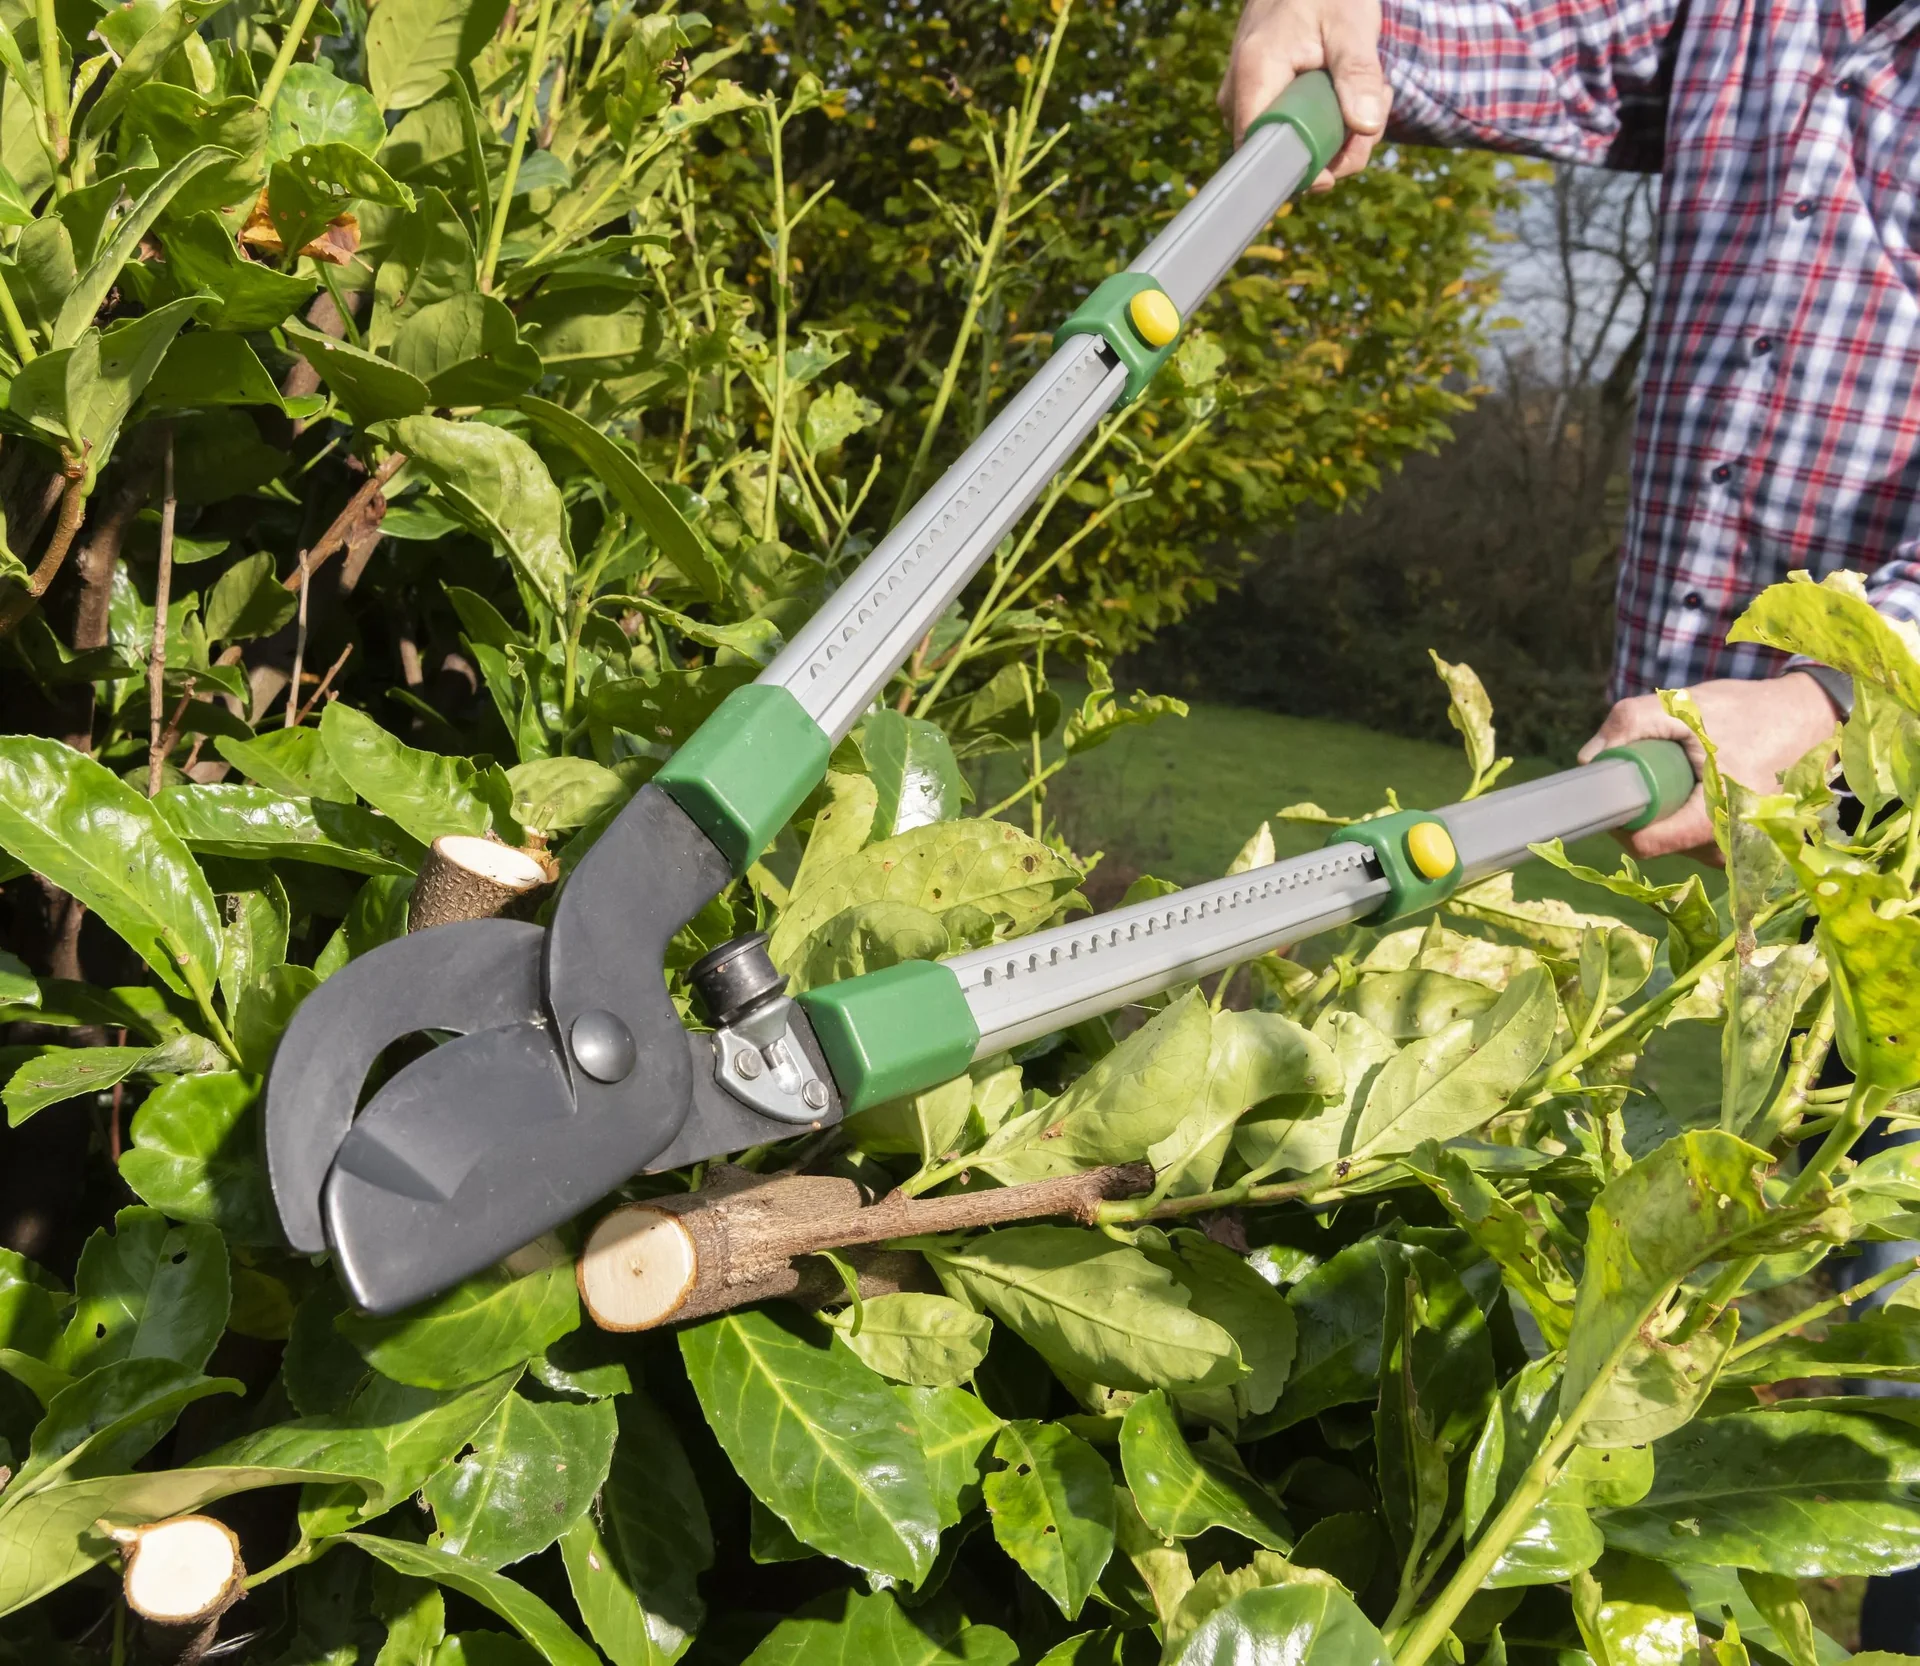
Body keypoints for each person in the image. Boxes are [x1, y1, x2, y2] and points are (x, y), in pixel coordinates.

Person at [1215, 0, 1920, 1645]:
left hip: (1869, 776)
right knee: (1772, 1319)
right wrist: (1352, 30)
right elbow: (1550, 49)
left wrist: (1835, 696)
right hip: (1759, 838)